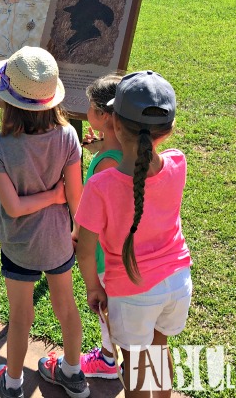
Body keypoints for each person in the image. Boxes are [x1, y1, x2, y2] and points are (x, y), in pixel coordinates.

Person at [74, 71, 193, 398]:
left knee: (136, 363)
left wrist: (93, 288)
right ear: (166, 132)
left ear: (115, 124)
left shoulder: (100, 185)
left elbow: (85, 250)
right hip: (178, 283)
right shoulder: (178, 162)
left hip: (132, 291)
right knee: (158, 350)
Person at [0, 46, 89, 398]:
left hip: (18, 247)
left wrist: (46, 199)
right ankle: (73, 374)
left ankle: (12, 384)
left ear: (8, 100)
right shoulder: (69, 136)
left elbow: (12, 208)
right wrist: (66, 215)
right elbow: (76, 197)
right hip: (58, 243)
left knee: (20, 316)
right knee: (66, 307)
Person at [76, 74, 124, 379]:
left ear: (104, 115)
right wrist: (101, 145)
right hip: (161, 278)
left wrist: (78, 234)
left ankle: (108, 359)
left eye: (91, 107)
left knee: (112, 313)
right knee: (156, 345)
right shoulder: (127, 150)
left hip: (109, 255)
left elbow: (94, 213)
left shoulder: (107, 165)